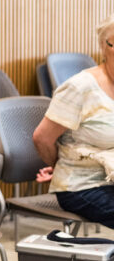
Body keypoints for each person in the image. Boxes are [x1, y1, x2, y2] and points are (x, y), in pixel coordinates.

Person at [32, 13, 114, 228]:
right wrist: (60, 166)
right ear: (104, 46)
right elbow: (42, 138)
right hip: (81, 185)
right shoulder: (80, 87)